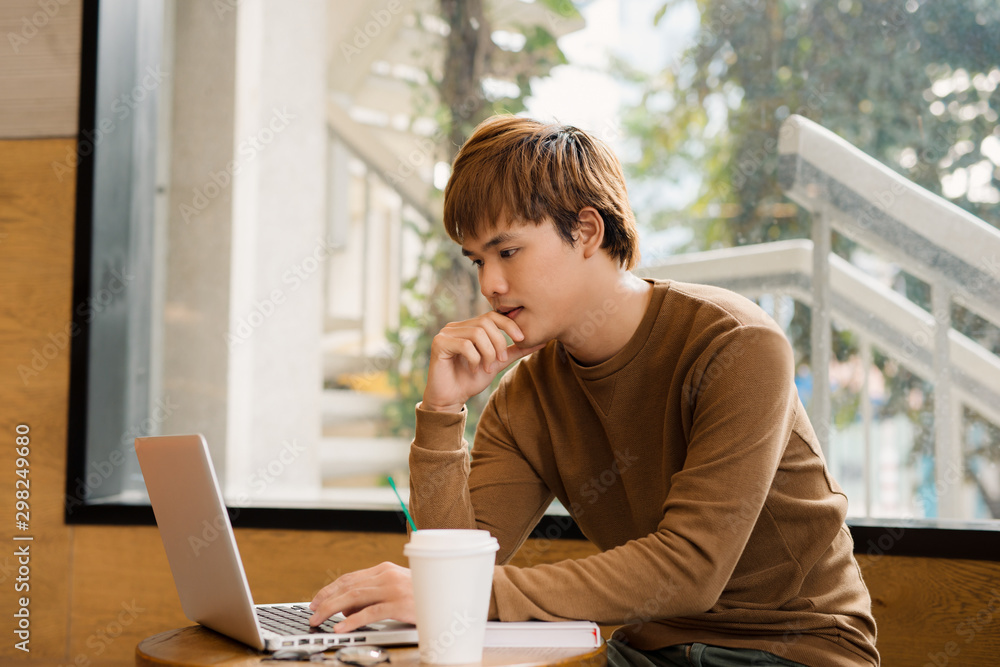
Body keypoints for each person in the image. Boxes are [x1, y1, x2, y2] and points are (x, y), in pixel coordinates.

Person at [310, 115, 880, 667]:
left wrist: (463, 596)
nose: (489, 284)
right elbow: (452, 568)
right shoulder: (524, 397)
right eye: (477, 260)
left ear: (586, 231)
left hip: (791, 650)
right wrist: (441, 411)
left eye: (507, 251)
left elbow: (691, 569)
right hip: (645, 652)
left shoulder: (735, 343)